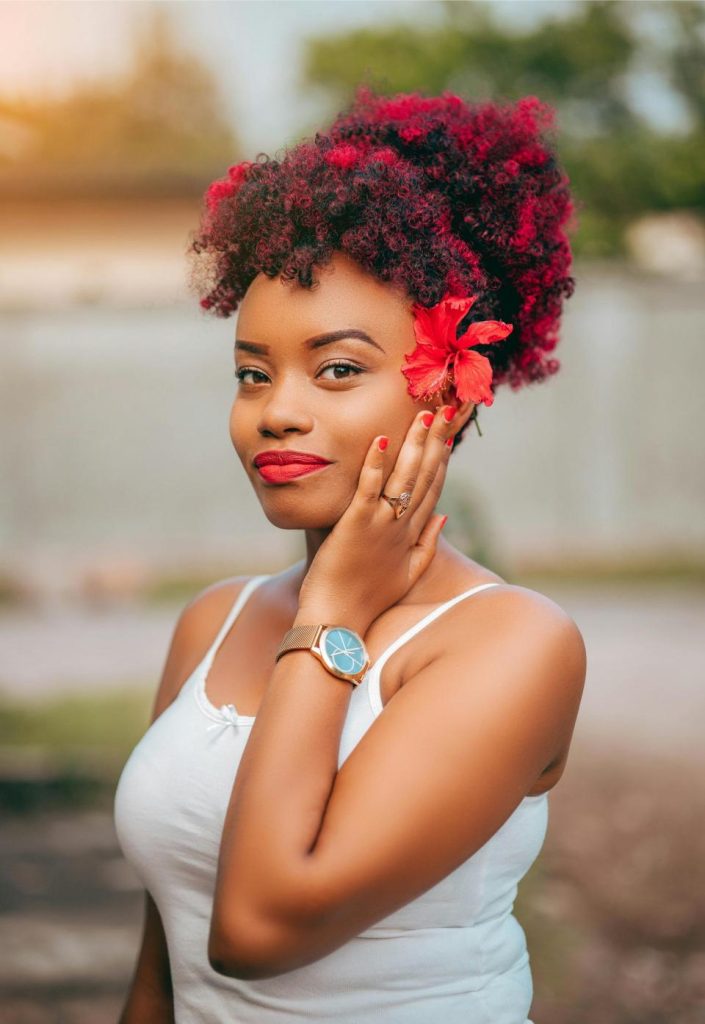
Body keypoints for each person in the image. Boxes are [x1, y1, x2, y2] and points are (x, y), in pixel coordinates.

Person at [114, 85, 586, 1024]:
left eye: (337, 368)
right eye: (252, 373)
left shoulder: (513, 646)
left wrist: (329, 617)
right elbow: (164, 966)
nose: (276, 410)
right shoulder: (214, 622)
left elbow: (254, 930)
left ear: (452, 391)